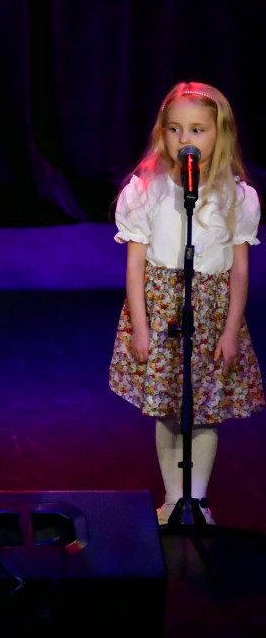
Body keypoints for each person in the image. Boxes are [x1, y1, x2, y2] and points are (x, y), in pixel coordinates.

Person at [110, 81, 264, 525]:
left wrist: (231, 329)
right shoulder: (146, 189)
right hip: (161, 307)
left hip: (211, 310)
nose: (185, 140)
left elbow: (239, 270)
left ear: (220, 134)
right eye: (176, 130)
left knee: (204, 409)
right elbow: (135, 266)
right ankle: (172, 498)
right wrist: (141, 327)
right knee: (168, 407)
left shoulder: (238, 196)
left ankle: (197, 500)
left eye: (197, 130)